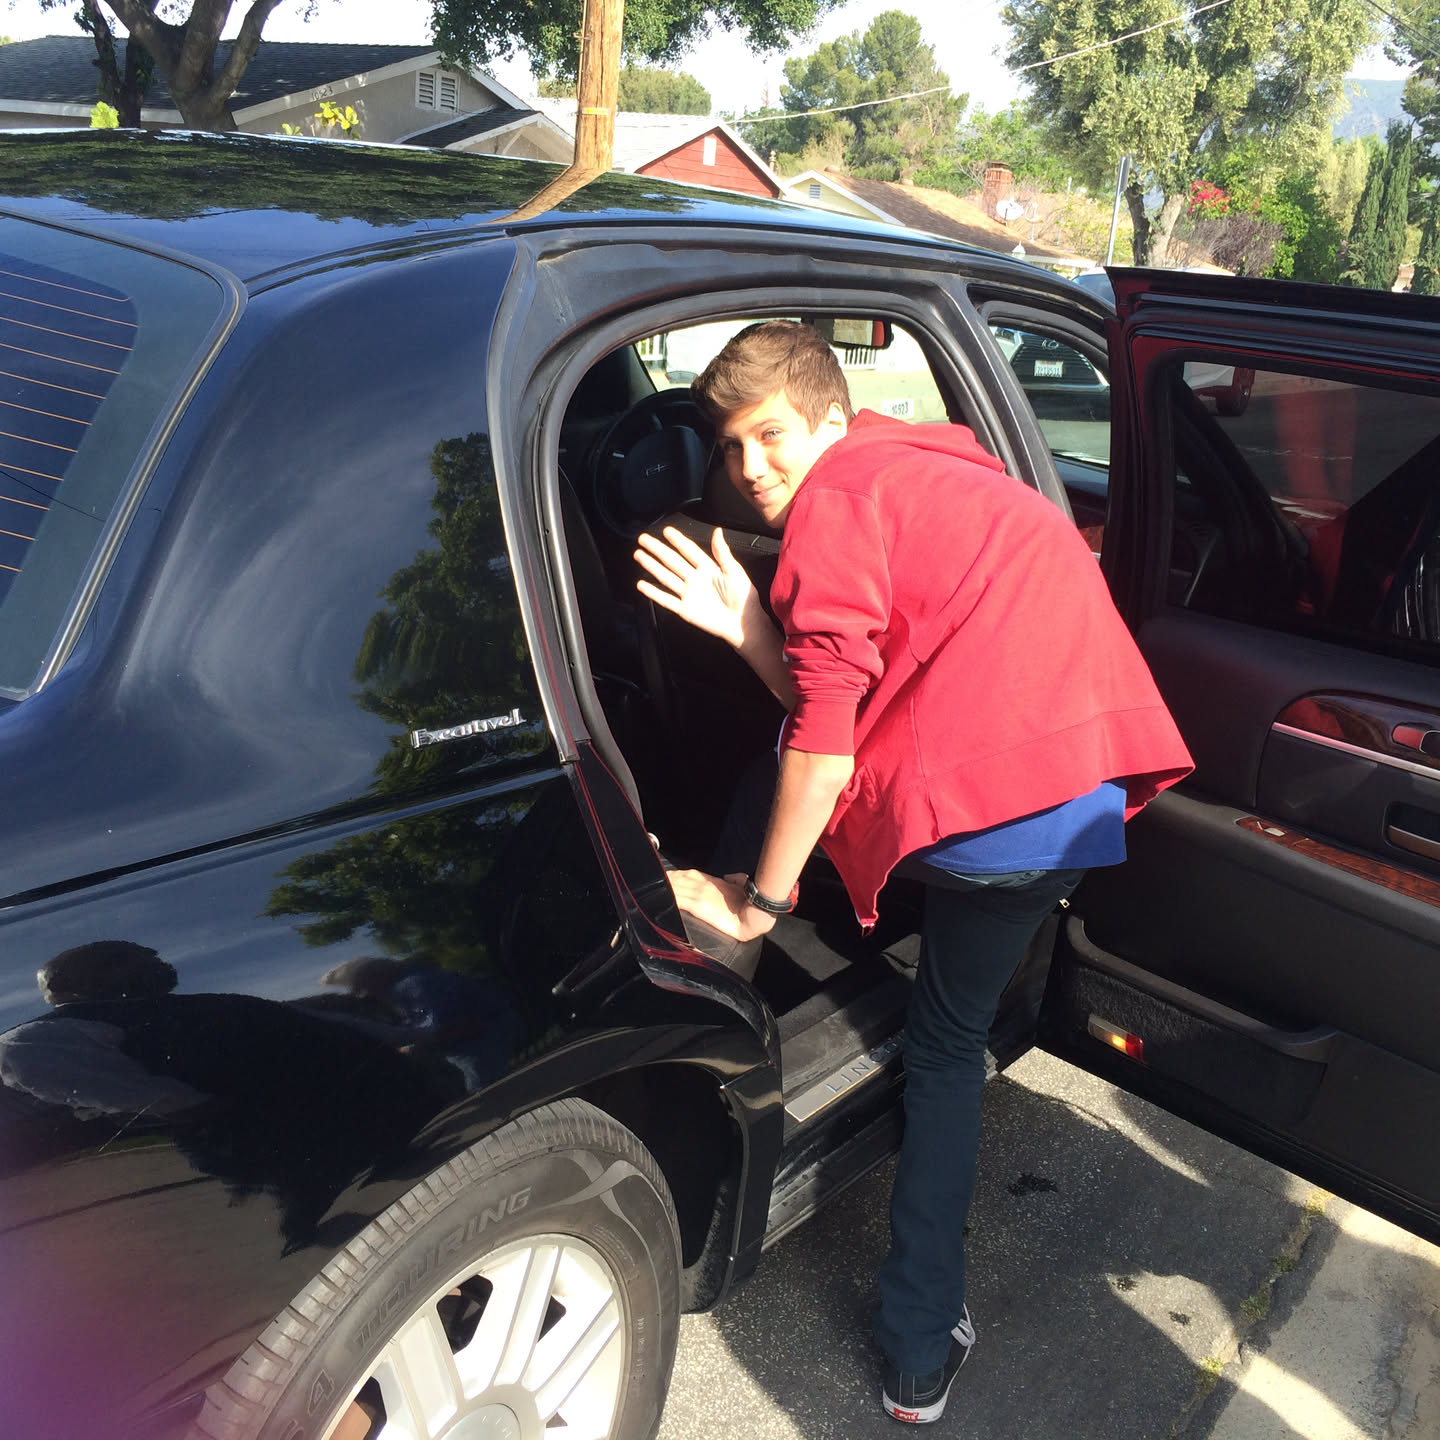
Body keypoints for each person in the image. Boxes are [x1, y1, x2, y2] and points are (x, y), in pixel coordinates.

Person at [634, 320, 1193, 1425]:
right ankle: (920, 1353)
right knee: (952, 1036)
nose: (750, 468)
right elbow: (849, 696)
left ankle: (720, 953)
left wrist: (756, 900)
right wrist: (752, 628)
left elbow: (826, 748)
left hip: (982, 831)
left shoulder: (833, 509)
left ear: (830, 420)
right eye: (730, 446)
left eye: (771, 435)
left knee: (788, 790)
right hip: (1074, 812)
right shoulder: (938, 467)